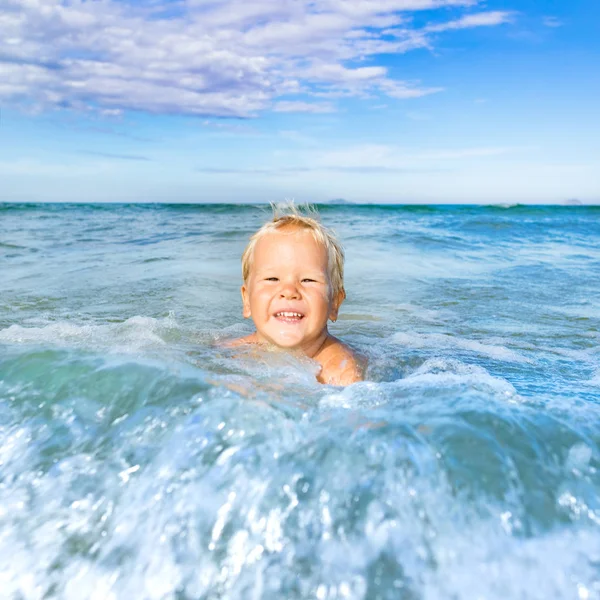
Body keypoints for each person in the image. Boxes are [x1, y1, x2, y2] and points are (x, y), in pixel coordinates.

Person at [227, 205, 365, 385]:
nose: (289, 292)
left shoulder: (341, 371)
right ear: (246, 300)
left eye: (308, 280)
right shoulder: (230, 352)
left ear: (335, 303)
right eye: (272, 278)